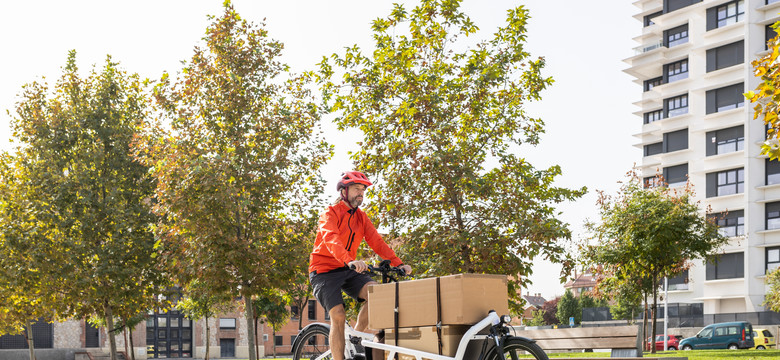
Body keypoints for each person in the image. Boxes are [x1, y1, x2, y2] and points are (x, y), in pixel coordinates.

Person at [309, 171, 412, 360]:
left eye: (363, 190)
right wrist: (349, 260)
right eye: (357, 188)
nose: (361, 193)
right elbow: (331, 239)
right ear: (344, 191)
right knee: (338, 316)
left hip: (348, 268)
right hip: (323, 271)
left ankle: (355, 335)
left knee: (376, 294)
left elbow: (377, 242)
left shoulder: (361, 217)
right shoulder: (329, 213)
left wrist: (399, 264)